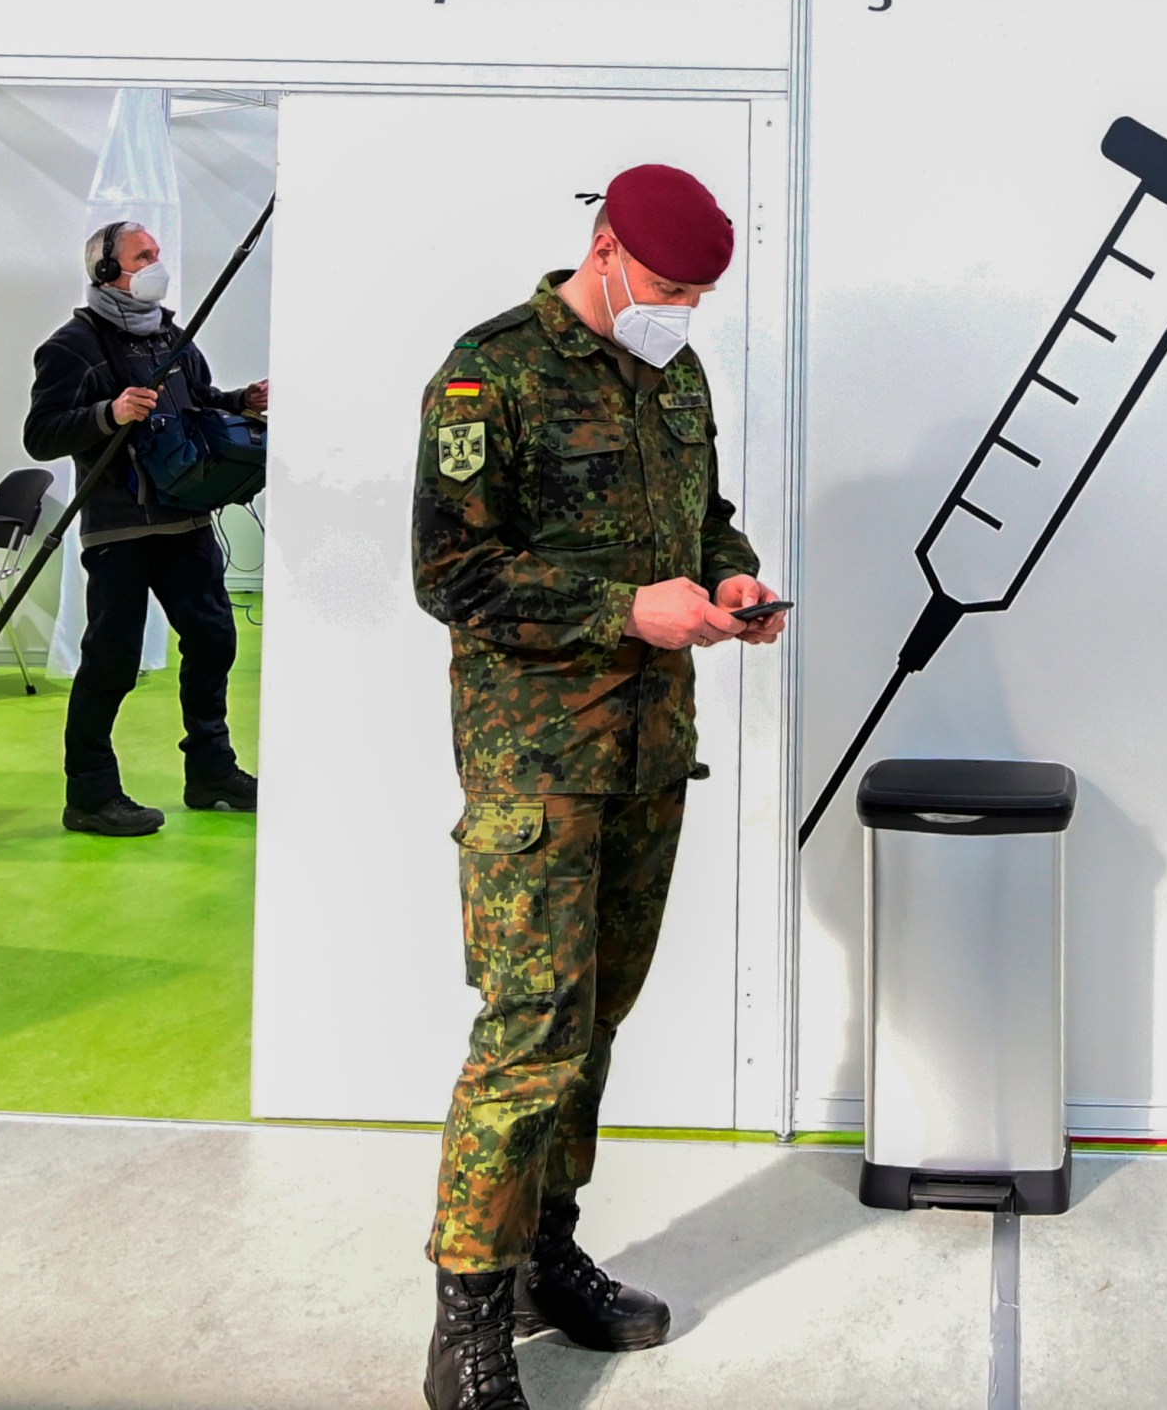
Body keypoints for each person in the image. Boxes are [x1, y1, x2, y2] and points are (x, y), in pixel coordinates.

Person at [408, 164, 790, 1410]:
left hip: (646, 750)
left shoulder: (673, 374)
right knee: (527, 1032)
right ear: (606, 248)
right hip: (536, 762)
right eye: (669, 286)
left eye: (698, 296)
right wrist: (623, 607)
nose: (681, 310)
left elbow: (706, 518)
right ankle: (466, 1316)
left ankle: (542, 1259)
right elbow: (451, 574)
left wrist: (727, 582)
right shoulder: (490, 373)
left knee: (596, 1023)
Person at [24, 221, 269, 835]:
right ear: (107, 271)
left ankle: (211, 770)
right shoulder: (72, 345)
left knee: (215, 641)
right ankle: (90, 792)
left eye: (158, 253)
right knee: (112, 660)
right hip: (119, 529)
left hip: (186, 517)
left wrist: (241, 401)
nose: (158, 263)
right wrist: (110, 413)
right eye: (144, 255)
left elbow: (198, 399)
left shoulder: (173, 337)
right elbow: (41, 434)